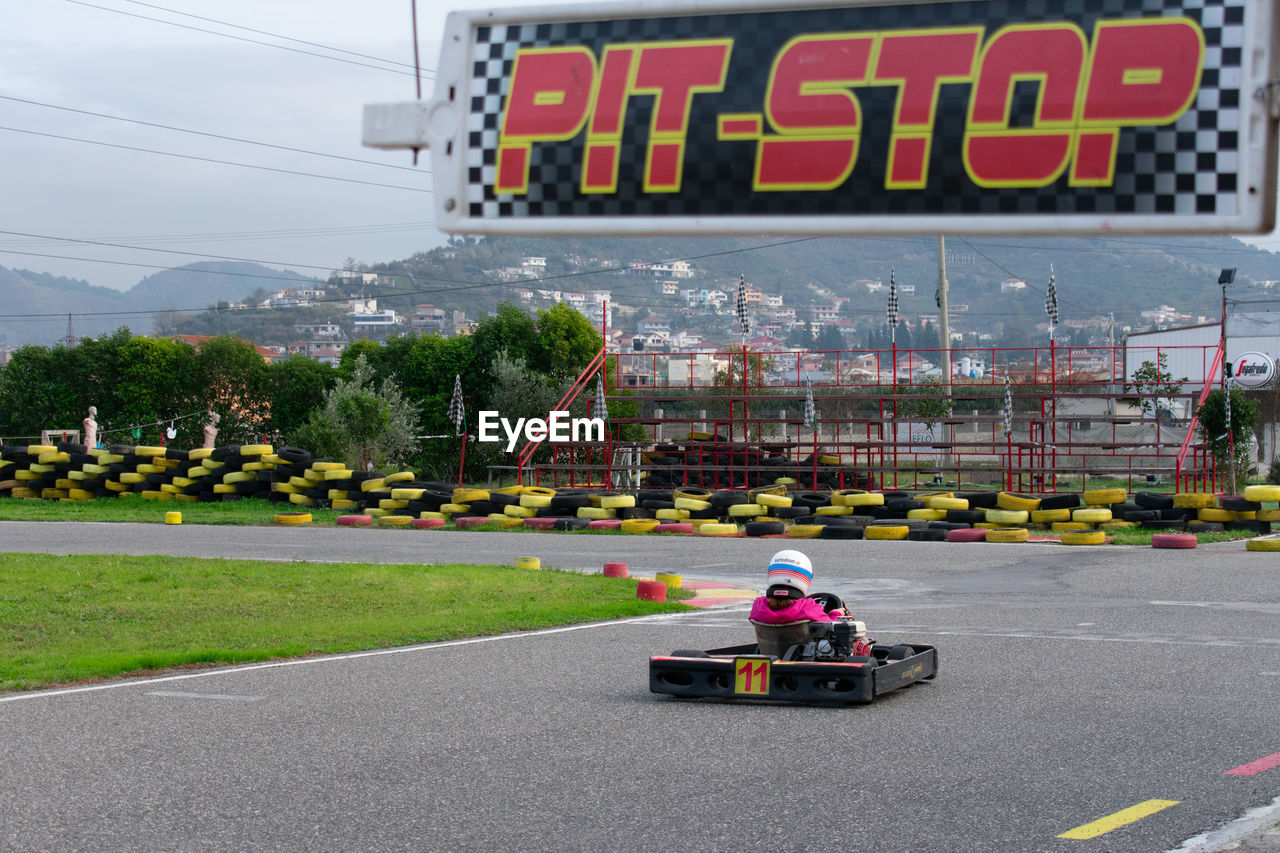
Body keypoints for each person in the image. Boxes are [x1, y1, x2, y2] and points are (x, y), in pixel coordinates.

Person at [748, 549, 841, 624]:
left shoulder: (759, 606)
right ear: (804, 577)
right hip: (803, 647)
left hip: (769, 647)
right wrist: (836, 614)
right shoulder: (807, 608)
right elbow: (831, 626)